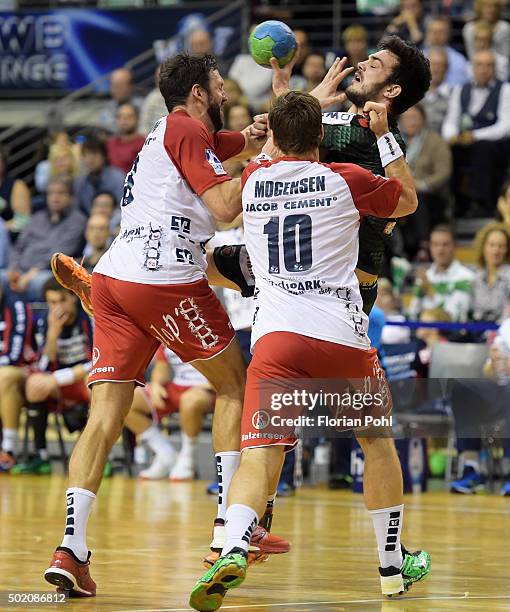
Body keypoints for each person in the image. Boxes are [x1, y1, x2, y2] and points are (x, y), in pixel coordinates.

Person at [44, 52, 285, 597]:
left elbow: (233, 146)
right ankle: (229, 528)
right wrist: (266, 167)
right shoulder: (182, 129)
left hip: (113, 280)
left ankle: (71, 549)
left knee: (104, 417)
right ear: (198, 93)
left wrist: (268, 131)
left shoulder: (171, 131)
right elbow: (225, 205)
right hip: (163, 279)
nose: (225, 93)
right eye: (220, 86)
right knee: (234, 387)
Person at [189, 91, 430, 612]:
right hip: (341, 336)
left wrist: (267, 138)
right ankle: (391, 566)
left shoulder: (253, 180)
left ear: (275, 136)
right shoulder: (344, 177)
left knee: (261, 452)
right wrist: (385, 134)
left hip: (277, 340)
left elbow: (233, 190)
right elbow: (408, 201)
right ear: (321, 136)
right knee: (377, 443)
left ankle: (232, 545)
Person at [271, 35, 431, 317]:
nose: (360, 64)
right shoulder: (344, 125)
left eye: (374, 64)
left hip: (343, 288)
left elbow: (305, 135)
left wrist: (294, 104)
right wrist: (289, 101)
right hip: (296, 270)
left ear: (392, 89)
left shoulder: (375, 137)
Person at [12, 278, 93, 475]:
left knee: (96, 385)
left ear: (73, 298)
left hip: (85, 379)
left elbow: (100, 362)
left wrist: (58, 378)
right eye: (52, 303)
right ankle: (42, 456)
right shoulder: (44, 322)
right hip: (61, 383)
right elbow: (43, 367)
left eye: (61, 301)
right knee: (34, 384)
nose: (57, 308)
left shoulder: (90, 318)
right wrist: (53, 335)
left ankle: (93, 457)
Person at [127, 346, 215, 481]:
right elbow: (162, 368)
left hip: (208, 388)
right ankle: (165, 454)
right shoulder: (168, 330)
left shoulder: (207, 331)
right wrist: (156, 384)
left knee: (189, 400)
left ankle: (188, 458)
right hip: (178, 385)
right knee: (128, 400)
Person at [442, 49, 510, 216]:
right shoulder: (460, 90)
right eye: (479, 65)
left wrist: (475, 136)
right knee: (448, 150)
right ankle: (457, 204)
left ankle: (483, 204)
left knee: (483, 149)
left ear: (495, 68)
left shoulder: (505, 90)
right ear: (472, 67)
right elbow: (451, 120)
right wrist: (451, 136)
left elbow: (505, 126)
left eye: (489, 65)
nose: (484, 69)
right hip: (465, 143)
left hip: (495, 146)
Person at [7, 178, 86, 301]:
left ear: (70, 197)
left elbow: (59, 255)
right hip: (21, 270)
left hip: (48, 273)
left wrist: (30, 275)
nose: (55, 197)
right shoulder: (37, 217)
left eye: (60, 193)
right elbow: (19, 246)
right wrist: (13, 268)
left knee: (40, 283)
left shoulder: (77, 220)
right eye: (51, 193)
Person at [399, 103, 452, 256]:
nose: (411, 122)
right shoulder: (395, 142)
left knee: (418, 198)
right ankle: (396, 250)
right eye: (407, 118)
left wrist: (421, 184)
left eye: (415, 118)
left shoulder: (435, 141)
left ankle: (424, 244)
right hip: (401, 191)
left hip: (431, 195)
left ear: (423, 119)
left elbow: (444, 172)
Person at [0, 286, 36, 472]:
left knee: (4, 376)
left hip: (24, 370)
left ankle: (8, 449)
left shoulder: (16, 304)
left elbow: (16, 354)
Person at [409, 225, 475, 322]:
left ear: (455, 246)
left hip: (452, 336)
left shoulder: (466, 278)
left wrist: (430, 291)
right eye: (435, 244)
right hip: (423, 334)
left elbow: (454, 318)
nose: (440, 250)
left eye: (445, 244)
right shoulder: (426, 277)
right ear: (430, 247)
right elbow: (413, 315)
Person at [74, 138, 126, 215]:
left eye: (94, 154)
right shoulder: (79, 182)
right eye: (86, 155)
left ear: (104, 156)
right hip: (90, 224)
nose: (90, 159)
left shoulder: (118, 178)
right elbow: (78, 211)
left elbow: (123, 208)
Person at [471, 222, 510, 322]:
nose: (496, 251)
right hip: (477, 331)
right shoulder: (475, 277)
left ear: (507, 250)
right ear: (483, 247)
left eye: (501, 246)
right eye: (491, 245)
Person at [423, 16, 469, 86]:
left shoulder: (459, 60)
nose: (436, 36)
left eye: (441, 32)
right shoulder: (417, 57)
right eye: (433, 31)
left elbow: (460, 85)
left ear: (449, 34)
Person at [98, 68, 143, 132]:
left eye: (119, 85)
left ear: (131, 86)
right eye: (113, 85)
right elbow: (104, 131)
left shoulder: (143, 106)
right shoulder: (107, 108)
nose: (115, 90)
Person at [0, 146, 31, 241]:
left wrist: (1, 228)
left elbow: (23, 220)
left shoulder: (16, 185)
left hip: (8, 238)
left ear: (4, 162)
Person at [106, 104, 146, 174]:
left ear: (138, 120)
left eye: (129, 116)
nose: (124, 120)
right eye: (120, 117)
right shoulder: (110, 143)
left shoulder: (144, 144)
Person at [423, 47, 452, 134]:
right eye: (433, 65)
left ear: (447, 68)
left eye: (440, 65)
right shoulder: (415, 94)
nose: (436, 69)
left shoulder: (455, 94)